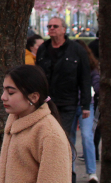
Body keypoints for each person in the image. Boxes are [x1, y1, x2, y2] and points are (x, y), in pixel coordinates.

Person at [0, 64, 72, 183]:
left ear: (34, 97)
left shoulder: (49, 134)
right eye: (4, 90)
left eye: (10, 92)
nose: (3, 97)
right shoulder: (15, 120)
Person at [36, 17, 91, 146]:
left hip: (67, 102)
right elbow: (38, 76)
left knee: (62, 136)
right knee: (46, 135)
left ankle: (65, 165)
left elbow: (85, 78)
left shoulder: (77, 50)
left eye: (55, 26)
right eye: (49, 26)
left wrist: (85, 105)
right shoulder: (43, 49)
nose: (51, 29)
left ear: (64, 30)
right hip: (46, 102)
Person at [80, 43, 100, 183]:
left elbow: (97, 84)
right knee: (68, 139)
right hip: (68, 105)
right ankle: (69, 171)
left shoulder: (90, 67)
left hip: (86, 105)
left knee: (87, 136)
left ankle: (92, 172)